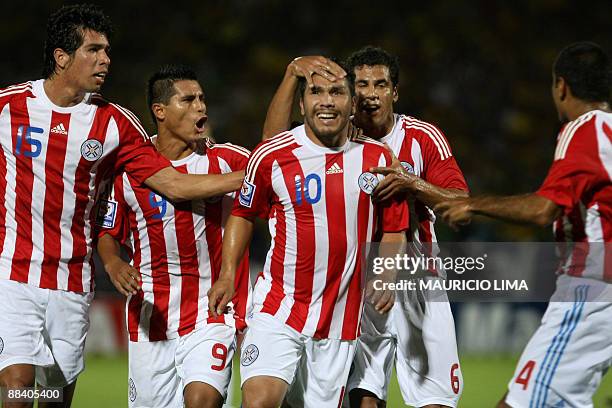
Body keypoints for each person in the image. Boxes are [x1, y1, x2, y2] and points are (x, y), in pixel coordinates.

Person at [0, 5, 242, 407]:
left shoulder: (117, 124)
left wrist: (249, 178)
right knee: (17, 386)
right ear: (62, 57)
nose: (105, 60)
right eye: (94, 50)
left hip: (72, 281)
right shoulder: (8, 107)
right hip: (12, 273)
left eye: (107, 50)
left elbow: (174, 185)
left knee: (54, 396)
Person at [262, 47, 468, 408]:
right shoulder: (331, 136)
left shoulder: (422, 138)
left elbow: (461, 206)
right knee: (362, 398)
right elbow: (270, 148)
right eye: (362, 85)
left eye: (381, 85)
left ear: (395, 92)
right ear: (349, 92)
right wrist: (292, 73)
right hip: (355, 286)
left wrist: (413, 184)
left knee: (434, 401)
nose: (371, 94)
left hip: (417, 278)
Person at [208, 69, 409, 408]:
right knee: (258, 402)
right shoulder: (273, 155)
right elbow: (242, 214)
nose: (327, 101)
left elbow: (393, 227)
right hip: (278, 306)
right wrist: (228, 273)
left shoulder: (378, 159)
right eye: (316, 92)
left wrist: (387, 272)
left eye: (337, 93)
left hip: (339, 318)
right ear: (302, 105)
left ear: (352, 104)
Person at [435, 41, 612, 408]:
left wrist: (475, 204)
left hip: (590, 289)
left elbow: (542, 210)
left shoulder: (585, 129)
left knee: (518, 402)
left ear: (560, 86)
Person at [96, 65, 250, 408]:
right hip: (150, 314)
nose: (201, 107)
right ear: (160, 111)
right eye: (189, 100)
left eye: (202, 99)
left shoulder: (224, 159)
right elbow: (108, 231)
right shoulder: (128, 171)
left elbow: (273, 159)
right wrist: (112, 262)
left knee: (202, 399)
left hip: (211, 309)